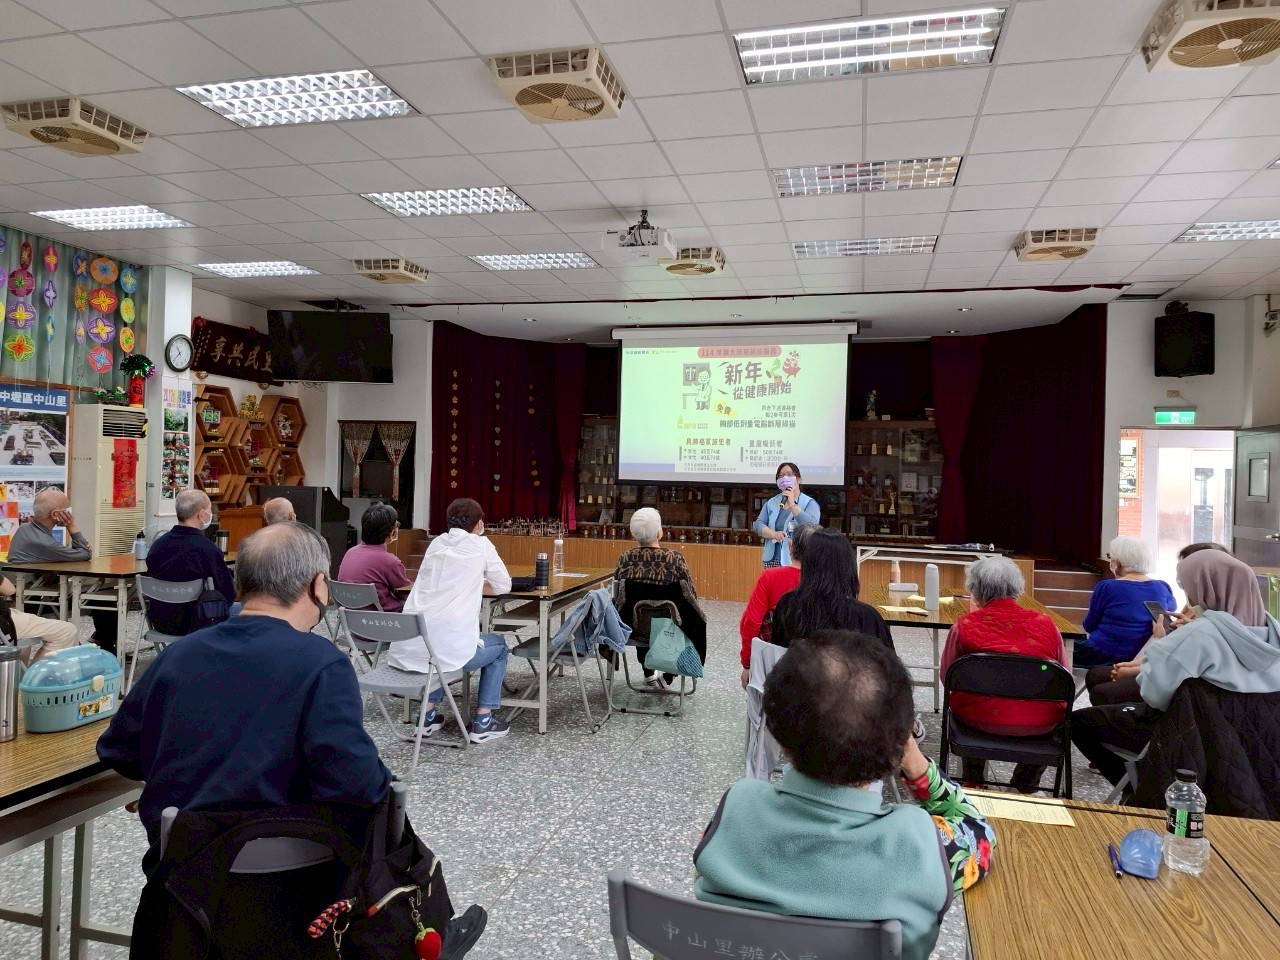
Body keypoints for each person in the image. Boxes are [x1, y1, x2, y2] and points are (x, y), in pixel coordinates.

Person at [694, 631, 995, 960]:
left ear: (778, 734)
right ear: (897, 747)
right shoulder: (922, 844)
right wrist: (916, 764)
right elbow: (978, 831)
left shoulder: (737, 807)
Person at [97, 522, 391, 858]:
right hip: (293, 875)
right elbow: (358, 784)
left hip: (179, 871)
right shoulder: (323, 664)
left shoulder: (179, 654)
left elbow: (119, 750)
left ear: (241, 581)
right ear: (319, 586)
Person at [1071, 549, 1280, 785]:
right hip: (1258, 746)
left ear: (1207, 588)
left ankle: (1135, 786)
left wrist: (1163, 642)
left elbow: (1154, 694)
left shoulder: (1200, 634)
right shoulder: (1273, 632)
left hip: (1187, 736)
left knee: (1078, 723)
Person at [939, 555, 1068, 792]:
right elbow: (1064, 679)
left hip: (977, 722)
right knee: (1054, 714)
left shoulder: (964, 626)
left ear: (975, 591)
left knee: (970, 701)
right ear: (1018, 588)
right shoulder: (1048, 625)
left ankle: (974, 781)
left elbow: (947, 676)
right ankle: (1025, 784)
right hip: (1040, 725)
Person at [390, 498, 511, 743]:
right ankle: (484, 720)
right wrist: (478, 581)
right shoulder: (482, 546)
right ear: (479, 524)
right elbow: (503, 585)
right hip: (451, 654)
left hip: (410, 648)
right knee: (498, 646)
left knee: (432, 644)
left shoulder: (436, 544)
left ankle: (427, 716)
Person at [1083, 540, 1235, 707]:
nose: (1181, 579)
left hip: (1187, 683)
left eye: (1185, 571)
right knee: (1096, 677)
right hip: (1161, 661)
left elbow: (1187, 662)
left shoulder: (1217, 614)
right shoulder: (1189, 599)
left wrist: (1136, 669)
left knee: (1102, 692)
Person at [8, 486, 117, 653]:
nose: (70, 513)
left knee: (100, 587)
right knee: (104, 591)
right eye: (67, 510)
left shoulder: (26, 530)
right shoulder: (43, 542)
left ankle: (101, 639)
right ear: (56, 515)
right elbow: (84, 554)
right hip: (33, 593)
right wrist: (72, 526)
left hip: (37, 587)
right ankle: (108, 646)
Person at [612, 506, 707, 681]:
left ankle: (648, 671)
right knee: (689, 616)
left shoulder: (625, 558)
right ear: (659, 533)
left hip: (635, 628)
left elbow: (618, 597)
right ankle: (670, 675)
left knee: (637, 608)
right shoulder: (674, 558)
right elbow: (691, 595)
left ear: (634, 534)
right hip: (672, 627)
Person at [768, 527, 892, 650]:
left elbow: (777, 657)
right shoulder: (867, 618)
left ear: (807, 565)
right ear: (849, 568)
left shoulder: (787, 606)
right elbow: (889, 667)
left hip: (798, 669)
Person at [1072, 536, 1175, 668]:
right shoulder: (1162, 587)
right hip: (1141, 656)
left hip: (1103, 654)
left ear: (1117, 562)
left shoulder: (1107, 587)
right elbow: (1167, 613)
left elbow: (1089, 626)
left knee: (1062, 645)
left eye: (1110, 557)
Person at [144, 490, 236, 635]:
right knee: (240, 609)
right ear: (201, 515)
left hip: (160, 621)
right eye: (209, 510)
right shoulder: (208, 550)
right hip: (200, 621)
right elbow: (228, 593)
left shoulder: (157, 546)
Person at [737, 522, 813, 689]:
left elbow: (751, 622)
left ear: (791, 547)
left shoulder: (771, 577)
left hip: (771, 664)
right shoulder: (824, 584)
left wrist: (747, 664)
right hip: (814, 666)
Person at [337, 503, 410, 612]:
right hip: (382, 619)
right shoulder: (390, 561)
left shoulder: (350, 552)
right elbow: (404, 589)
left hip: (350, 618)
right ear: (390, 532)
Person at [752, 462, 820, 568]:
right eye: (781, 476)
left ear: (798, 479)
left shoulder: (809, 503)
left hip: (798, 562)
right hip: (772, 560)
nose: (784, 478)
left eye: (789, 474)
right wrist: (773, 534)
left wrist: (792, 505)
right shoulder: (772, 502)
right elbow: (758, 524)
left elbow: (813, 528)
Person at [0, 574, 78, 664]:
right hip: (4, 621)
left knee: (25, 643)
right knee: (66, 631)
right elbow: (10, 590)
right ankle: (34, 675)